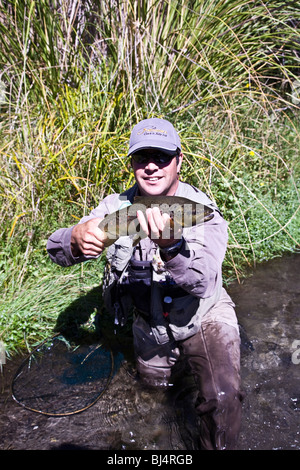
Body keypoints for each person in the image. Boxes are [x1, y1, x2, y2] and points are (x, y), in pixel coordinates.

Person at [47, 118, 243, 450]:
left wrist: (172, 247)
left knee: (222, 399)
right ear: (132, 164)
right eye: (142, 158)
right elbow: (55, 250)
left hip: (203, 317)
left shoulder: (201, 211)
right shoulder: (115, 208)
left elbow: (202, 283)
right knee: (153, 393)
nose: (151, 167)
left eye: (162, 157)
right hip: (149, 326)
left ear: (179, 160)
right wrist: (76, 240)